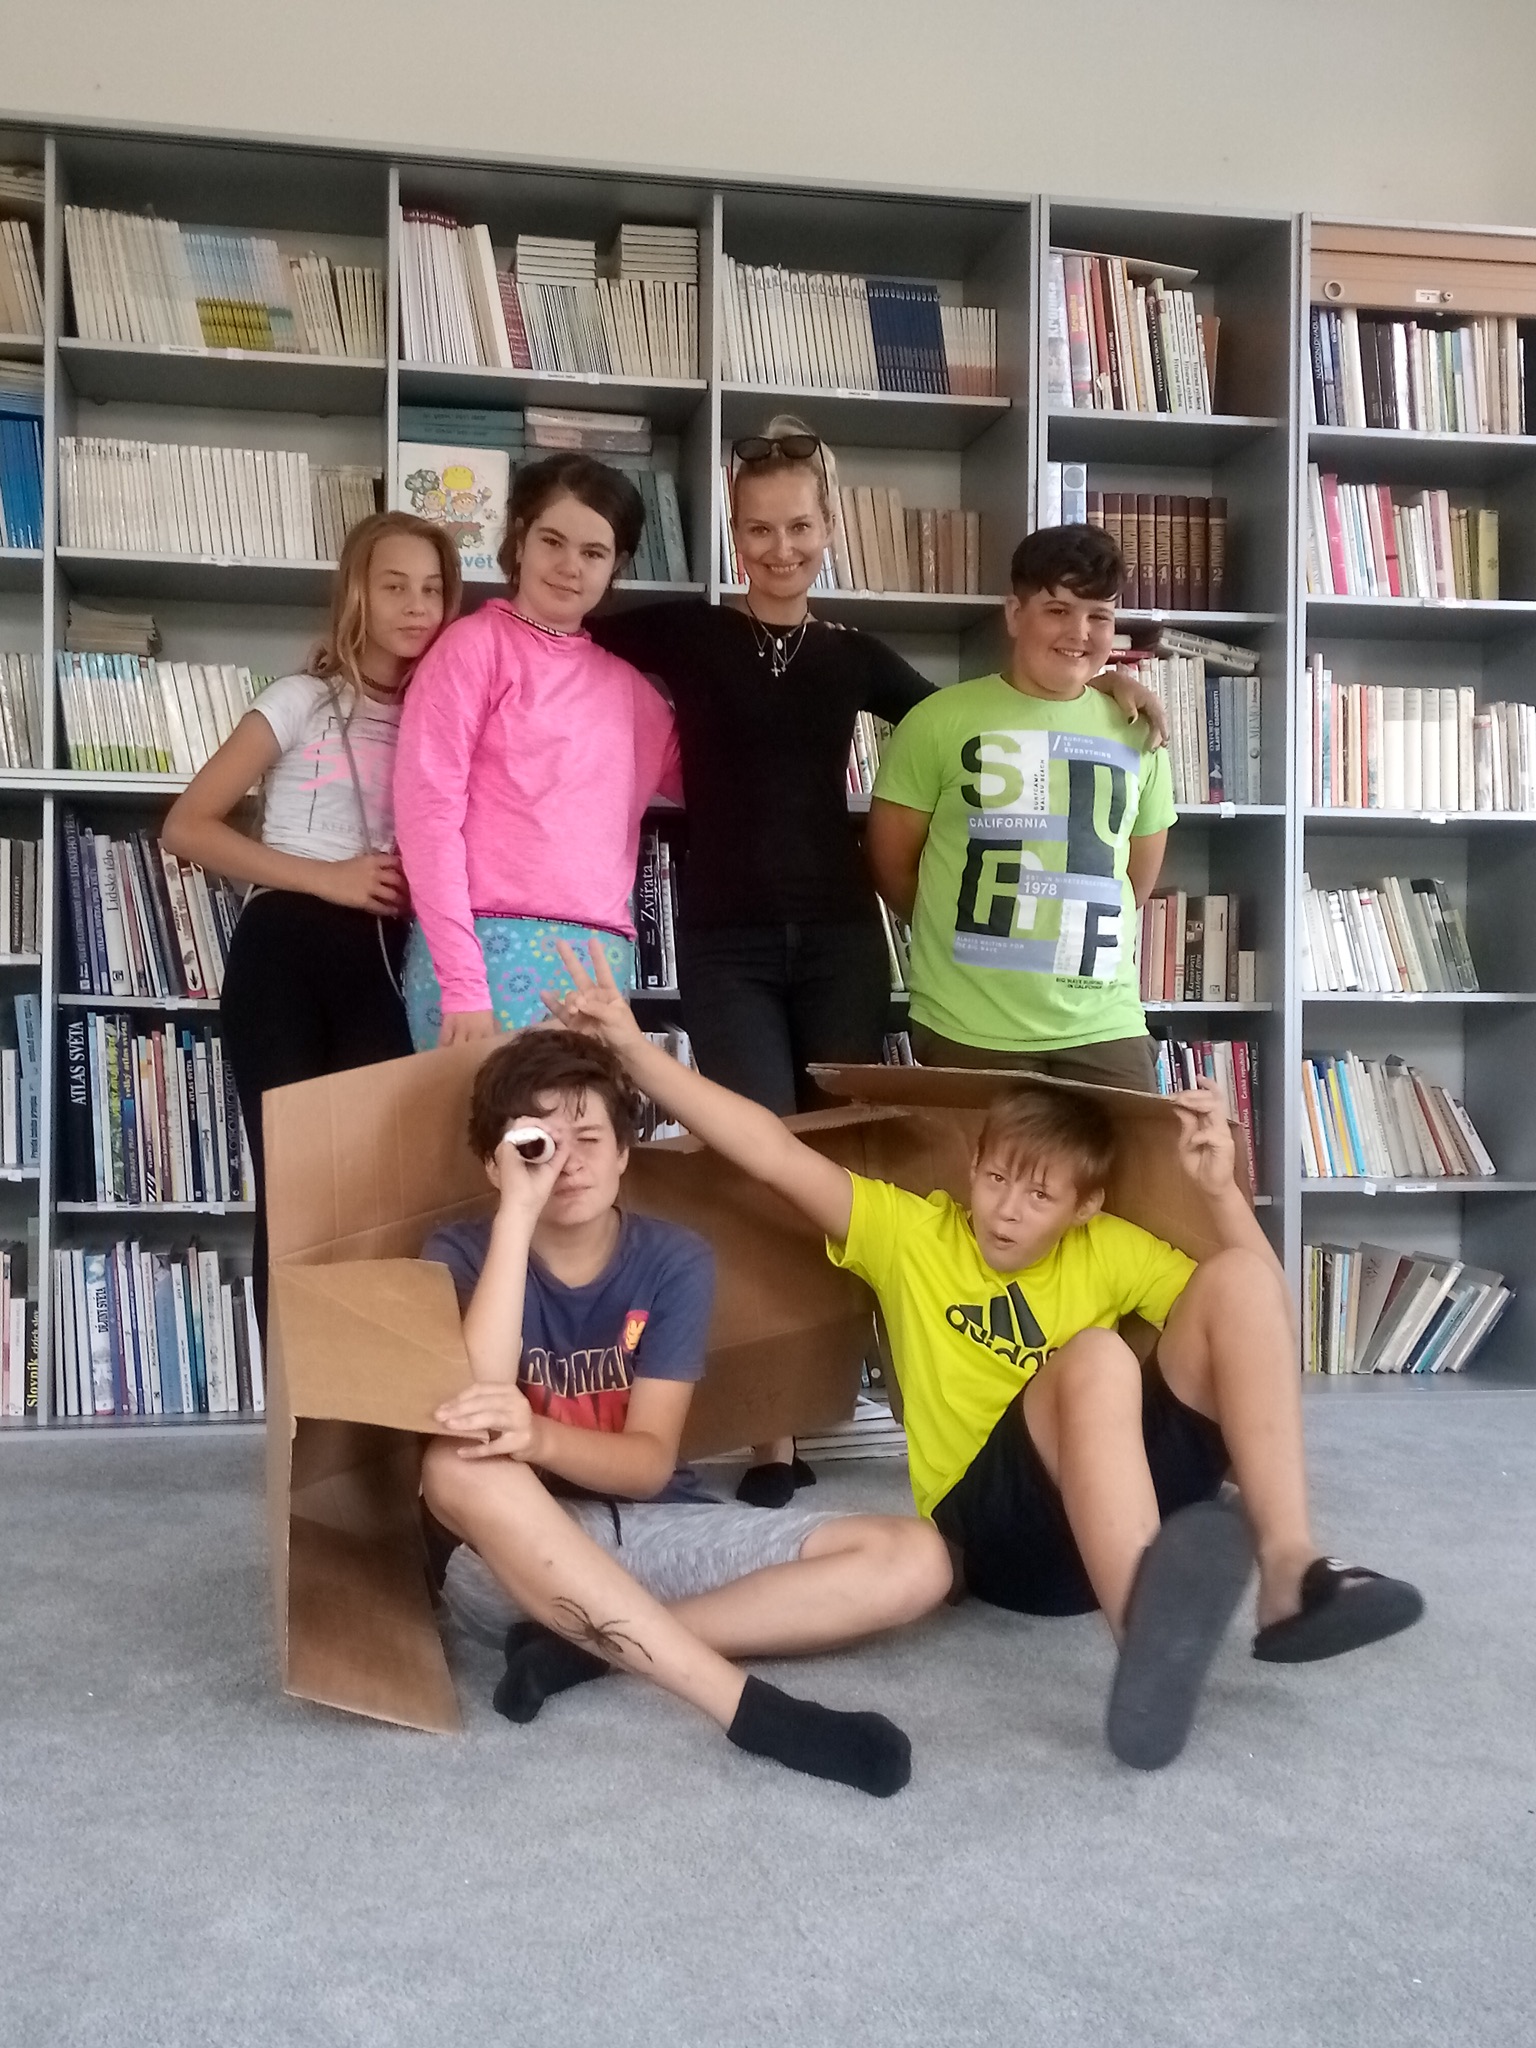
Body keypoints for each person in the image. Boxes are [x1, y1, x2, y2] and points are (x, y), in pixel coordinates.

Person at [545, 938, 1425, 1771]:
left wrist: (1222, 1193)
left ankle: (1290, 1570)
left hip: (1117, 1497)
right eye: (997, 1178)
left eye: (1040, 1195)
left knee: (1236, 1279)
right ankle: (1145, 1642)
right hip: (997, 1532)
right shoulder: (911, 1236)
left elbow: (1260, 1318)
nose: (1006, 1208)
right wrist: (634, 1051)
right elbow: (771, 1153)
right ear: (972, 1166)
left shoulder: (1109, 1248)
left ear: (1085, 1207)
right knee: (1097, 1357)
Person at [591, 429, 1165, 1508]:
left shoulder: (854, 655)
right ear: (733, 532)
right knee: (759, 1171)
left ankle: (902, 1391)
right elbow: (559, 631)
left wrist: (1117, 682)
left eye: (800, 526)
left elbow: (994, 719)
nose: (780, 547)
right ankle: (771, 1430)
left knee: (862, 1181)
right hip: (725, 946)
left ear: (828, 529)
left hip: (841, 945)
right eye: (758, 528)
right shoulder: (689, 632)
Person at [418, 1028, 952, 1797]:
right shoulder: (461, 1252)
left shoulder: (673, 1260)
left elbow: (647, 1466)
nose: (567, 1162)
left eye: (588, 1139)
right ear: (495, 1161)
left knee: (918, 1559)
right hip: (513, 1557)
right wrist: (515, 1217)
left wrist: (537, 1434)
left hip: (656, 1529)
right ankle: (744, 1707)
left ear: (624, 1153)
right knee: (455, 1464)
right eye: (538, 1144)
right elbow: (478, 1410)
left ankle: (589, 1646)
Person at [162, 510, 461, 1330]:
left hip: (389, 958)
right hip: (286, 953)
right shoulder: (300, 699)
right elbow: (187, 826)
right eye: (394, 585)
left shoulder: (442, 710)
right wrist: (327, 878)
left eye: (432, 589)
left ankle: (363, 1394)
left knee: (377, 1196)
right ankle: (294, 1405)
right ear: (356, 592)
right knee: (295, 1197)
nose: (416, 605)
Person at [866, 522, 1173, 1092]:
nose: (1079, 633)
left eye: (1099, 616)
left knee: (1143, 1154)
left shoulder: (1139, 731)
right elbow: (892, 867)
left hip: (1105, 1024)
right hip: (967, 1025)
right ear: (1014, 614)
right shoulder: (937, 722)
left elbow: (1134, 882)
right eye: (1057, 610)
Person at [393, 453, 681, 1051]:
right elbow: (427, 817)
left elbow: (720, 783)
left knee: (583, 1117)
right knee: (479, 1117)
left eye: (593, 553)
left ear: (617, 565)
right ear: (520, 539)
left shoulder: (633, 693)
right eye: (553, 541)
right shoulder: (471, 649)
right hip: (481, 954)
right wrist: (462, 983)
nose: (570, 566)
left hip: (599, 962)